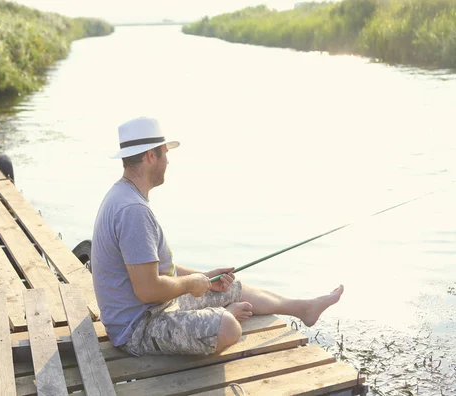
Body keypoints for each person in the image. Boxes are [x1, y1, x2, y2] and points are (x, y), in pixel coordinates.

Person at [91, 116, 344, 356]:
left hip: (151, 309)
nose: (168, 162)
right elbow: (148, 289)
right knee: (228, 326)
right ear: (150, 156)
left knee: (229, 285)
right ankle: (224, 314)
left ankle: (303, 308)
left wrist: (204, 277)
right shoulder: (133, 210)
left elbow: (154, 269)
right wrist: (193, 286)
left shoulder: (125, 197)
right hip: (138, 328)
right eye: (165, 154)